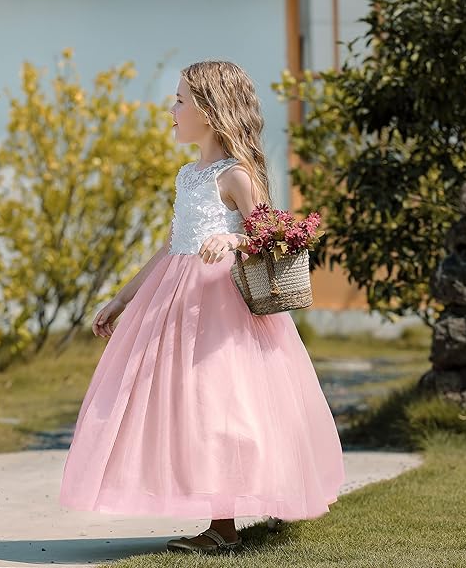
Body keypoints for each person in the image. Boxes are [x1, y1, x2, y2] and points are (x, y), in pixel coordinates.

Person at [59, 60, 345, 555]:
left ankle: (225, 527)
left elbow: (269, 237)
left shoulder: (235, 175)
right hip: (177, 298)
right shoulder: (187, 175)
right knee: (187, 404)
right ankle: (223, 520)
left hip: (221, 305)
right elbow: (172, 246)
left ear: (209, 113)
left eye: (179, 102)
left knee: (225, 403)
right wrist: (122, 298)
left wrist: (231, 239)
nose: (171, 110)